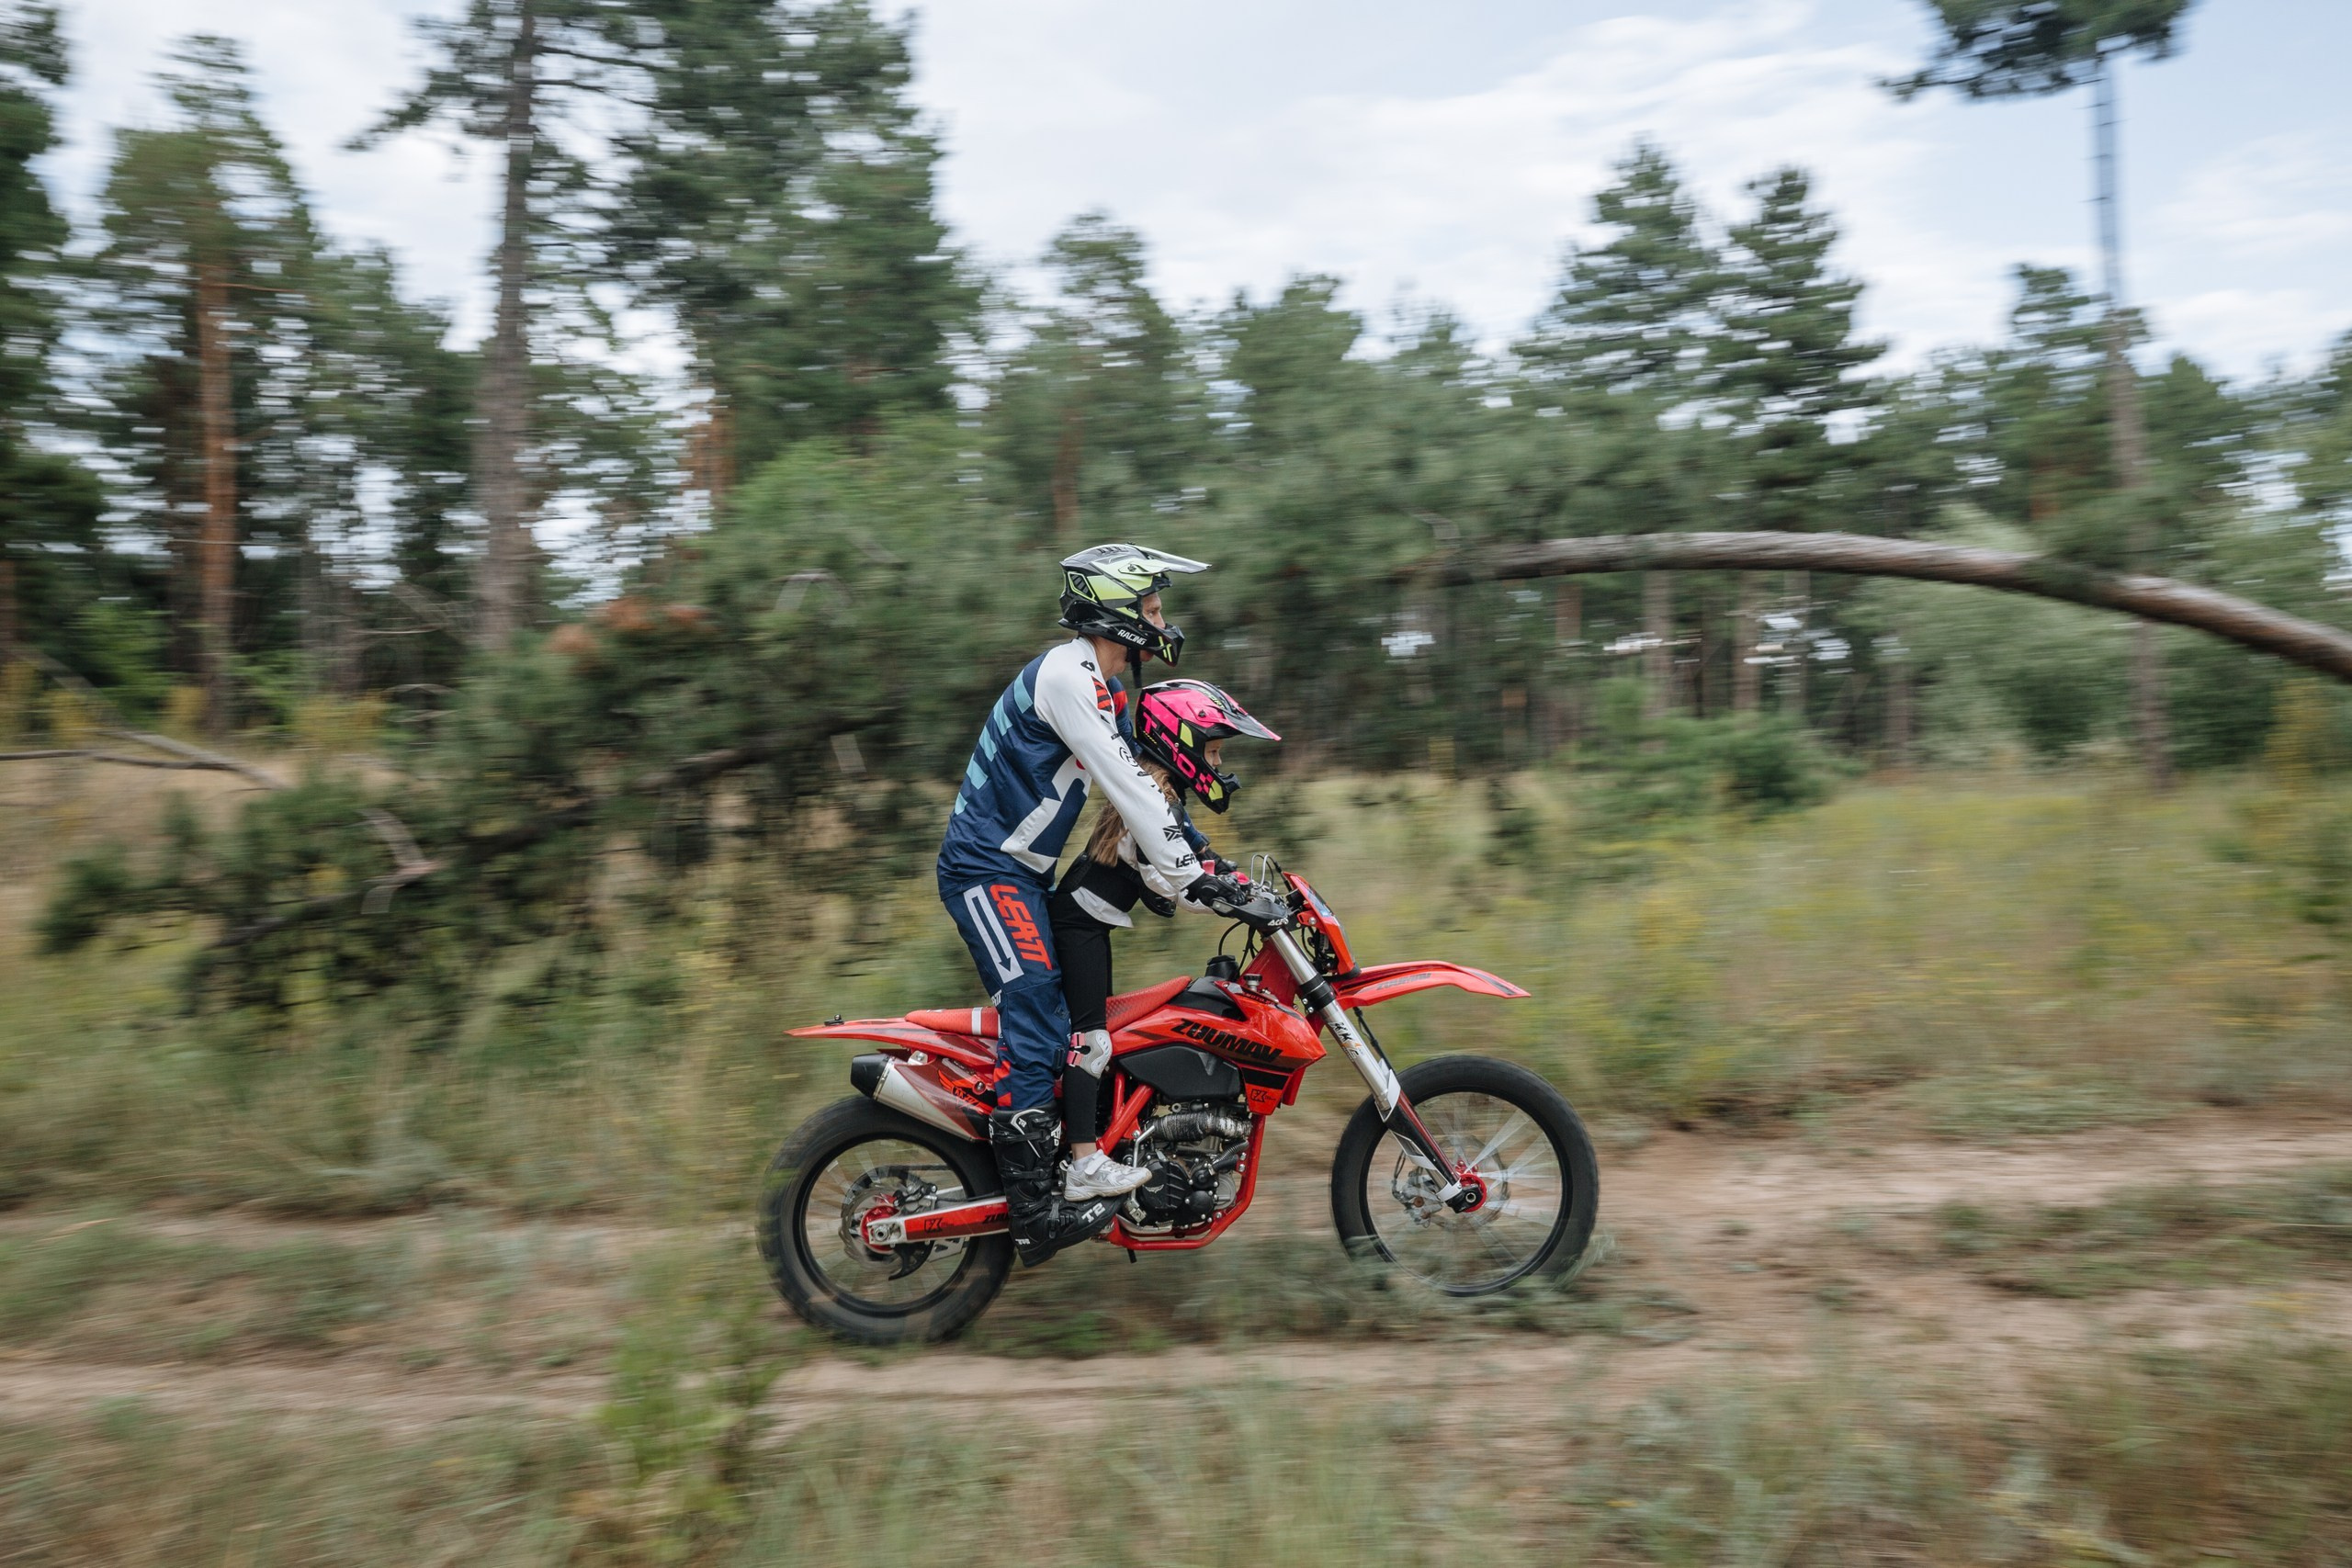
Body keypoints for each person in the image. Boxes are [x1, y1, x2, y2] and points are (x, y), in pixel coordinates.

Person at [935, 544, 1252, 1267]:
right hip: (984, 866)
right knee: (1038, 997)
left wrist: (1202, 868)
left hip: (1018, 871)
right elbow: (1128, 787)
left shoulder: (1102, 688)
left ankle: (1077, 1155)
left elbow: (1153, 782)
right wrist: (1189, 876)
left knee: (1075, 1013)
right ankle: (1036, 1207)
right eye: (1151, 607)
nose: (1161, 620)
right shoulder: (1068, 676)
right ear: (1116, 611)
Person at [1049, 679, 1280, 1175]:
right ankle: (1084, 1163)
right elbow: (1172, 880)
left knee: (1105, 1038)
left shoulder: (1160, 790)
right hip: (1077, 927)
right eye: (1212, 752)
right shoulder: (1152, 795)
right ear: (1181, 744)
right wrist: (1230, 902)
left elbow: (1197, 854)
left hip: (1087, 924)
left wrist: (1241, 883)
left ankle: (1103, 1136)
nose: (1217, 766)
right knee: (1092, 1042)